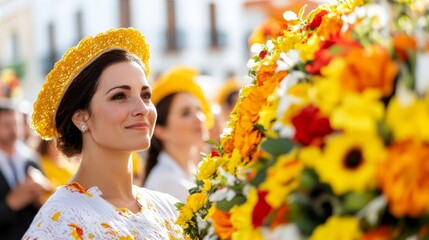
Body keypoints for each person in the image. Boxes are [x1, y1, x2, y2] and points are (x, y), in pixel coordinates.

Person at [23, 28, 183, 239]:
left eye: (145, 95)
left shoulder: (170, 209)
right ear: (81, 117)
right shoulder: (59, 223)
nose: (142, 108)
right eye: (119, 96)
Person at [143, 66, 213, 203]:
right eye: (185, 113)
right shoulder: (166, 182)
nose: (199, 118)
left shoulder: (192, 172)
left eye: (199, 109)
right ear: (160, 130)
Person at [0, 102, 51, 240]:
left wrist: (42, 192)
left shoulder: (31, 158)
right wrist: (11, 203)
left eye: (17, 124)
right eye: (7, 125)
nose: (14, 130)